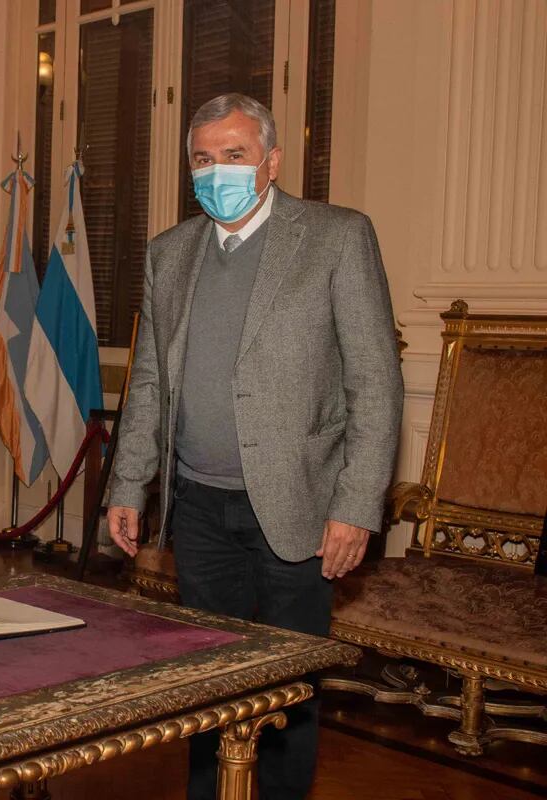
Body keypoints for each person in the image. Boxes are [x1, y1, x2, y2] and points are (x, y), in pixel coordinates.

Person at [107, 93, 402, 799]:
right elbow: (148, 380)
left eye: (234, 155)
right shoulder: (169, 253)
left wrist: (358, 506)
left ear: (270, 160)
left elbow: (376, 383)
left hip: (299, 511)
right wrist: (128, 483)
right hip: (200, 511)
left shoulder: (336, 236)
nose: (218, 171)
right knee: (208, 684)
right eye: (203, 159)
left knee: (287, 695)